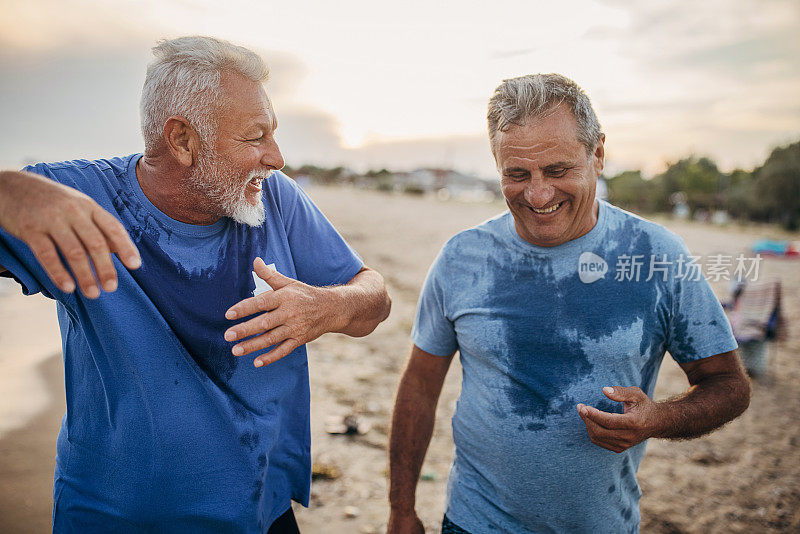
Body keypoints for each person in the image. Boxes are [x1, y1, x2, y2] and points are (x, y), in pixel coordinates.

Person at [0, 36, 391, 533]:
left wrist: (329, 306)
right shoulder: (76, 199)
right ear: (182, 139)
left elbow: (373, 296)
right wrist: (4, 189)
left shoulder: (278, 200)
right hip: (114, 518)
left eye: (273, 134)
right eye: (255, 137)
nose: (276, 157)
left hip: (260, 512)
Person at [388, 74, 750, 533]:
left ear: (597, 154)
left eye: (558, 171)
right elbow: (420, 384)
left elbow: (728, 385)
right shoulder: (462, 258)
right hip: (472, 522)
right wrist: (401, 510)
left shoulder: (658, 256)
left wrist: (657, 418)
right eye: (517, 175)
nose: (538, 195)